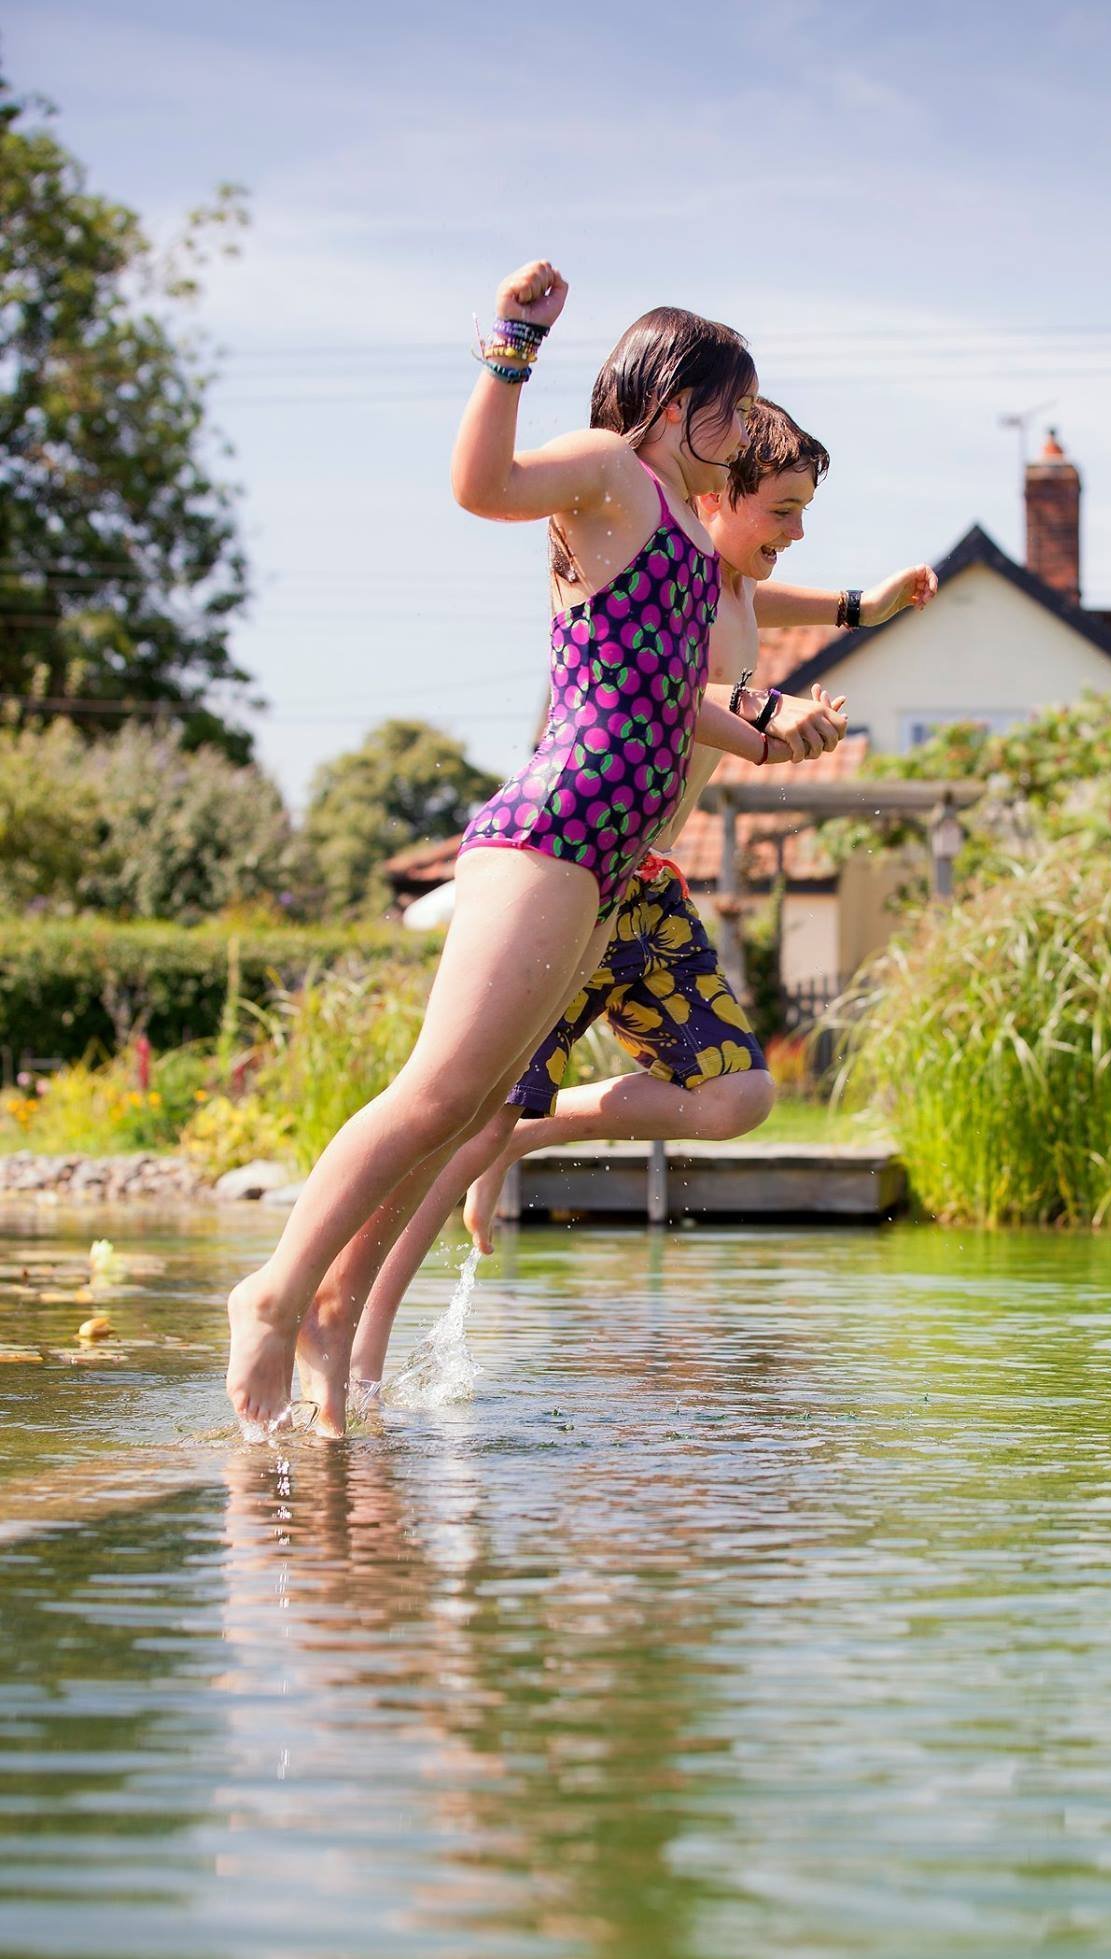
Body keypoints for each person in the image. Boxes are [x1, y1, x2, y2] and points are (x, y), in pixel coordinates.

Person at [227, 260, 786, 1437]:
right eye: (732, 409)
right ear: (673, 403)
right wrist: (512, 341)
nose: (742, 435)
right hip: (552, 828)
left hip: (600, 855)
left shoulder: (688, 535)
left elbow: (678, 697)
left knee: (469, 1100)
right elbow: (481, 485)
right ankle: (272, 1295)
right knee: (437, 1087)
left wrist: (778, 726)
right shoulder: (613, 473)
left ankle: (333, 1314)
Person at [346, 398, 938, 1401]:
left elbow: (768, 606)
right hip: (577, 870)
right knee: (467, 1114)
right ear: (718, 497)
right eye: (781, 511)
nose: (794, 531)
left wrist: (859, 608)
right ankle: (361, 1346)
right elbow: (674, 685)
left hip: (648, 883)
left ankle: (537, 1128)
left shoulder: (739, 589)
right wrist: (761, 714)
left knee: (737, 1094)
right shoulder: (672, 582)